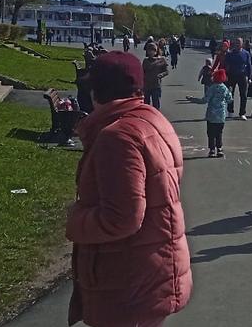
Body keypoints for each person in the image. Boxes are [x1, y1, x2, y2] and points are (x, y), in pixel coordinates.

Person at [65, 51, 192, 327]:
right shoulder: (154, 120)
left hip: (128, 279)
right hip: (155, 267)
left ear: (96, 92)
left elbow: (122, 218)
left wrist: (75, 219)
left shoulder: (117, 136)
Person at [204, 67, 231, 157]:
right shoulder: (225, 88)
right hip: (221, 114)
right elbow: (230, 99)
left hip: (212, 114)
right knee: (219, 132)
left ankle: (212, 149)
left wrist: (193, 99)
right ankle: (219, 148)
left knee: (210, 133)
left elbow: (205, 99)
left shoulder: (212, 88)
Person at [227, 38, 251, 119]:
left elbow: (249, 65)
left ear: (242, 44)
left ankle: (242, 113)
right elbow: (227, 65)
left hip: (242, 76)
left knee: (243, 95)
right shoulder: (230, 53)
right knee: (230, 94)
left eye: (239, 43)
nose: (237, 44)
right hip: (232, 76)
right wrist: (226, 76)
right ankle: (230, 111)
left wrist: (249, 77)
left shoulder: (246, 53)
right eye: (236, 42)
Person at [142, 43, 169, 109]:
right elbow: (142, 72)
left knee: (156, 104)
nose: (151, 52)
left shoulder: (161, 60)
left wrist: (161, 75)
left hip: (156, 85)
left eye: (153, 50)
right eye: (149, 50)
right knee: (146, 104)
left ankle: (156, 114)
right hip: (146, 86)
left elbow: (166, 71)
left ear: (156, 51)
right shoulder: (145, 61)